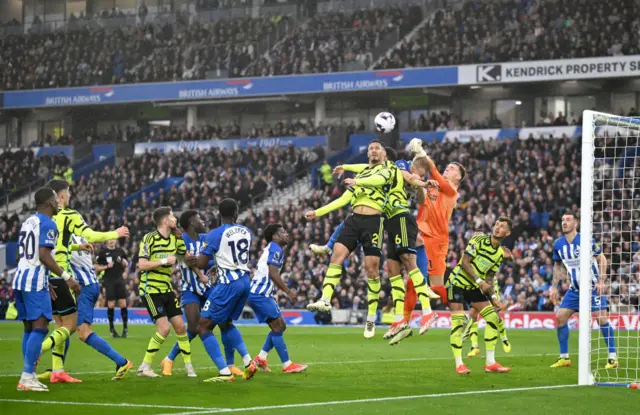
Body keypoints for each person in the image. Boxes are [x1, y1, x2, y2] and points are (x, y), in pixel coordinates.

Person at [332, 149, 438, 344]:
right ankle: (399, 320)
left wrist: (422, 183)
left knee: (408, 260)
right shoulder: (396, 166)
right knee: (393, 270)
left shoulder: (409, 176)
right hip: (388, 222)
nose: (419, 176)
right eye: (421, 173)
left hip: (401, 217)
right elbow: (398, 173)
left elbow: (419, 195)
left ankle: (427, 311)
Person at [37, 179, 128, 383]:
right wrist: (115, 233)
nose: (70, 196)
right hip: (70, 281)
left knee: (78, 330)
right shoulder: (68, 218)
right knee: (62, 326)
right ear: (61, 196)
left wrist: (80, 247)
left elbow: (59, 246)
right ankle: (57, 370)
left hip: (78, 283)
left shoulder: (45, 219)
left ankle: (121, 361)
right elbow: (88, 236)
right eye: (68, 192)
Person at [304, 140, 391, 339]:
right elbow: (343, 200)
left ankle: (371, 317)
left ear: (384, 155)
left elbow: (378, 181)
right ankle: (325, 299)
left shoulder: (387, 170)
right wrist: (318, 212)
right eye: (370, 148)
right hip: (354, 219)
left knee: (372, 268)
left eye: (378, 148)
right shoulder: (361, 174)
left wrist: (354, 177)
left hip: (373, 221)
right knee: (336, 256)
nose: (373, 150)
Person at [161, 210, 248, 377]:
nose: (203, 220)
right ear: (193, 223)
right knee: (193, 328)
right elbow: (189, 260)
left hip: (209, 288)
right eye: (199, 218)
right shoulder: (180, 240)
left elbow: (209, 259)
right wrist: (201, 266)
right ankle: (169, 358)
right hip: (190, 289)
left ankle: (229, 365)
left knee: (224, 322)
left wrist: (212, 264)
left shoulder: (205, 238)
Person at [13, 187, 77, 391]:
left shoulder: (28, 222)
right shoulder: (48, 223)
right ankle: (27, 377)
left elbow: (19, 255)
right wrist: (67, 278)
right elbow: (44, 255)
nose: (59, 203)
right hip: (34, 281)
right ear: (49, 202)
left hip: (20, 278)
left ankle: (28, 374)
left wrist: (43, 278)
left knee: (29, 328)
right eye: (56, 200)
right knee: (40, 327)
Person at [188, 198, 257, 382]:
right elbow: (230, 255)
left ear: (219, 214)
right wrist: (218, 263)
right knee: (226, 322)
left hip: (228, 284)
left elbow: (202, 263)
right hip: (244, 281)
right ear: (236, 213)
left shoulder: (215, 234)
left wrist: (193, 259)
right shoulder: (246, 231)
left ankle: (224, 372)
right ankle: (249, 362)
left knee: (202, 326)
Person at [404, 139, 466, 326]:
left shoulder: (452, 190)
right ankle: (403, 322)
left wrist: (422, 152)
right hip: (420, 234)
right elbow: (422, 200)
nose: (449, 168)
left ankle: (463, 312)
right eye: (449, 166)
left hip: (437, 240)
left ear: (458, 179)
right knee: (413, 280)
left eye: (453, 168)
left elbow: (434, 171)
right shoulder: (432, 184)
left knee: (436, 285)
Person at [549, 212, 617, 369]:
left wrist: (601, 280)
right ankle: (564, 357)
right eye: (563, 220)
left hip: (592, 287)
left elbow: (602, 258)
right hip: (574, 290)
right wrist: (554, 287)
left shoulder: (586, 240)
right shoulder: (558, 244)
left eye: (568, 219)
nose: (564, 222)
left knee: (601, 318)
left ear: (576, 224)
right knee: (560, 317)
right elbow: (557, 265)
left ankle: (613, 358)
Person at [448, 217, 512, 375]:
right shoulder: (479, 239)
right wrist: (479, 280)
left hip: (475, 286)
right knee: (458, 322)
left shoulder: (499, 254)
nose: (497, 228)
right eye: (497, 224)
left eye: (502, 226)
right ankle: (459, 364)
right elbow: (465, 262)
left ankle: (490, 363)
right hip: (457, 282)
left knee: (494, 319)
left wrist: (493, 297)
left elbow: (489, 277)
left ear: (507, 233)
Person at [136, 207, 195, 378]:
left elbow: (187, 258)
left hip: (167, 289)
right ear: (164, 221)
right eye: (172, 216)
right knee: (164, 329)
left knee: (181, 327)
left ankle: (189, 367)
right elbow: (142, 265)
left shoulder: (176, 240)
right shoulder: (149, 239)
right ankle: (145, 366)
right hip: (150, 290)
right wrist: (164, 260)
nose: (175, 219)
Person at [70, 234, 133, 379]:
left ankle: (121, 358)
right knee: (65, 327)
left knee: (82, 332)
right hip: (98, 282)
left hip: (85, 286)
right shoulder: (92, 246)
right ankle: (57, 369)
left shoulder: (66, 239)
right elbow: (95, 265)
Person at [249, 224, 307, 373]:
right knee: (277, 327)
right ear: (275, 236)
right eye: (282, 232)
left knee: (281, 325)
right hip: (259, 294)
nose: (286, 234)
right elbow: (273, 273)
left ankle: (261, 357)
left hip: (262, 293)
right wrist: (288, 291)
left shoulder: (273, 248)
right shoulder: (275, 248)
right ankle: (287, 365)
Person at [96, 239, 129, 338]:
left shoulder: (120, 251)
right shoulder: (102, 253)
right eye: (110, 240)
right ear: (106, 241)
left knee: (123, 303)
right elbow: (96, 267)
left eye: (113, 239)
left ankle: (125, 328)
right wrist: (106, 266)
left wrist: (125, 268)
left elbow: (126, 264)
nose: (111, 241)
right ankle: (112, 329)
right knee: (111, 305)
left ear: (115, 241)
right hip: (109, 281)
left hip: (119, 280)